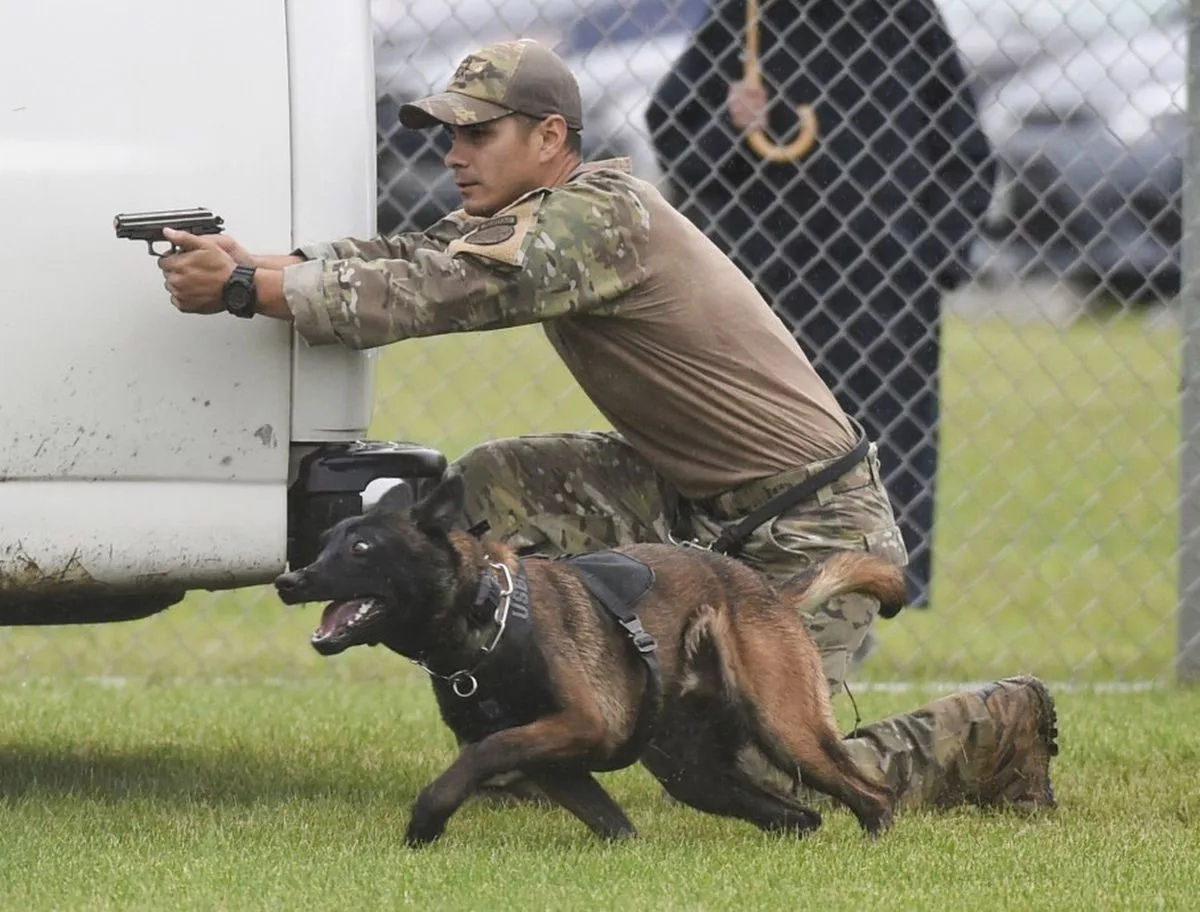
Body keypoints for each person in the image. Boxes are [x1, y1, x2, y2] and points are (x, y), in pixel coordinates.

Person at [158, 39, 1055, 813]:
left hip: (808, 521)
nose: (456, 153)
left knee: (747, 771)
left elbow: (444, 290)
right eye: (450, 134)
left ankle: (991, 725)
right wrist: (259, 262)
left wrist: (247, 292)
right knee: (492, 490)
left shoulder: (599, 218)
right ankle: (519, 737)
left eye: (479, 132)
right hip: (688, 498)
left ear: (550, 138)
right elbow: (412, 254)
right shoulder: (531, 214)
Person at [645, 0, 995, 609]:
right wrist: (731, 122)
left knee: (885, 446)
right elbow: (676, 138)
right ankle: (753, 594)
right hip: (764, 289)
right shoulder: (752, 18)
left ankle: (867, 598)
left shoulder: (903, 17)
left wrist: (930, 258)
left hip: (885, 290)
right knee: (764, 449)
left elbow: (964, 152)